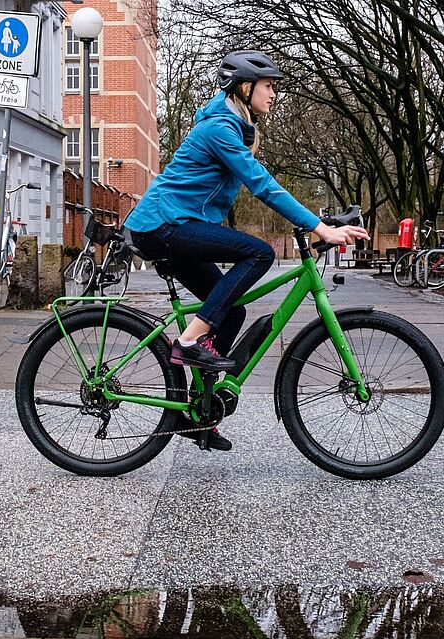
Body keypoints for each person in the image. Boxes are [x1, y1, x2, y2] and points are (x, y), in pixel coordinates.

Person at [122, 50, 368, 452]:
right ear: (245, 86)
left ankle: (199, 415)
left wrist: (326, 223)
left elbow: (260, 185)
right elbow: (263, 186)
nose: (274, 94)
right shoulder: (221, 128)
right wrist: (317, 225)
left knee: (231, 309)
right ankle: (187, 343)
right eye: (269, 86)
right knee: (259, 253)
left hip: (178, 225)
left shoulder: (236, 125)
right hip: (161, 225)